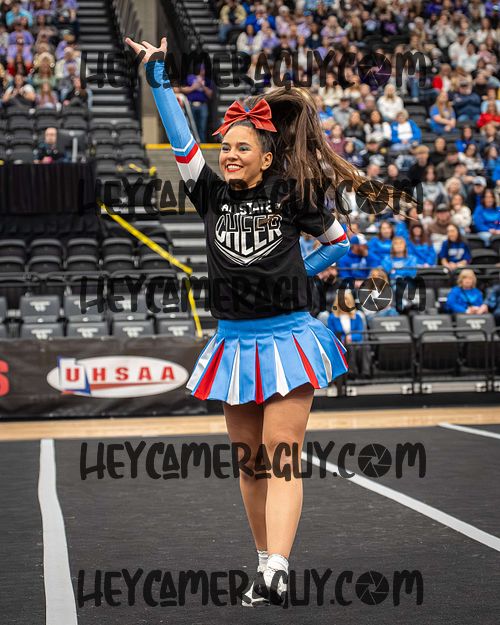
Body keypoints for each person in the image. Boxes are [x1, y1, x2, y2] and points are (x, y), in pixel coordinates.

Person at [125, 35, 414, 607]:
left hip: (287, 338)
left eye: (241, 148)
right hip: (234, 343)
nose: (229, 155)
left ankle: (279, 564)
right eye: (225, 147)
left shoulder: (290, 193)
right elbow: (181, 139)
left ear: (265, 156)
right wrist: (157, 75)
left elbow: (338, 241)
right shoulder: (209, 193)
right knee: (250, 464)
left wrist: (299, 274)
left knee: (281, 454)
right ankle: (264, 563)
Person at [180, 65, 213, 142]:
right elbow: (181, 89)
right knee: (191, 126)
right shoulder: (190, 78)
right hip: (191, 105)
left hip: (202, 105)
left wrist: (203, 86)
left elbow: (210, 94)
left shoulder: (207, 80)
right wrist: (193, 87)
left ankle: (202, 143)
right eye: (202, 70)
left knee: (202, 126)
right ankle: (192, 143)